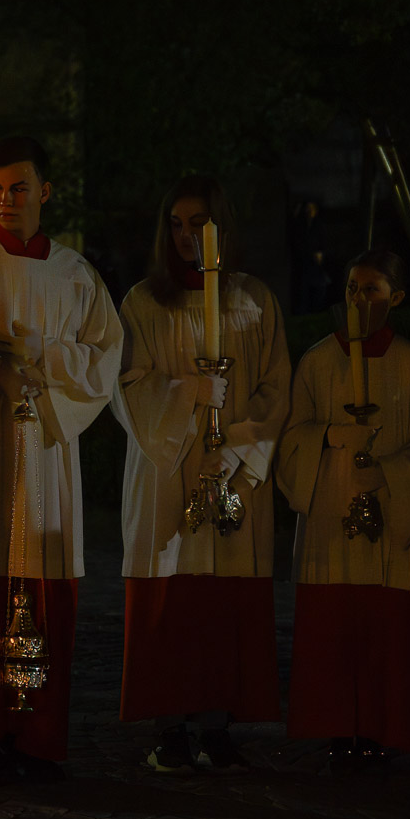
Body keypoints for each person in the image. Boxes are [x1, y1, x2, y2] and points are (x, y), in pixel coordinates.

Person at [0, 136, 122, 783]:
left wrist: (45, 358)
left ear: (45, 192)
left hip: (47, 451)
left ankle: (38, 734)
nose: (6, 200)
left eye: (18, 188)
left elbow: (105, 359)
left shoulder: (76, 276)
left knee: (45, 587)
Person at [112, 176, 289, 773]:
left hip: (233, 472)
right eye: (177, 225)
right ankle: (170, 730)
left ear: (223, 231)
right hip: (167, 474)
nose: (187, 237)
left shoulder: (254, 301)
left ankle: (217, 727)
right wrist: (188, 393)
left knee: (222, 605)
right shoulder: (142, 301)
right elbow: (126, 385)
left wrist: (235, 451)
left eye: (199, 225)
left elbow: (275, 388)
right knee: (172, 602)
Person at [276, 250, 410, 770]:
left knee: (384, 627)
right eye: (352, 288)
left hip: (392, 515)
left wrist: (392, 472)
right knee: (333, 626)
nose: (359, 299)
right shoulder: (319, 361)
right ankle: (335, 725)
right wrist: (326, 434)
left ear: (397, 298)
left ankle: (380, 726)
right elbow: (291, 437)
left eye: (372, 289)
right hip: (327, 511)